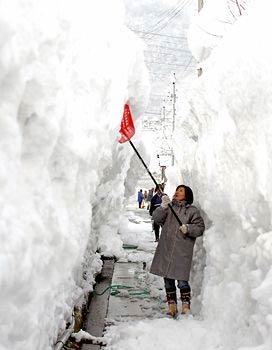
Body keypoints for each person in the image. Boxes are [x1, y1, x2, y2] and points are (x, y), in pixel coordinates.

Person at [150, 185, 205, 316]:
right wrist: (163, 206)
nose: (177, 192)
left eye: (180, 191)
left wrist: (188, 228)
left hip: (182, 250)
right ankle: (172, 306)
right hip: (167, 248)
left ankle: (186, 306)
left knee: (182, 280)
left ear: (187, 195)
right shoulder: (169, 208)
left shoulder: (192, 211)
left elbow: (200, 227)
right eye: (176, 190)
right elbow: (157, 219)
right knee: (168, 279)